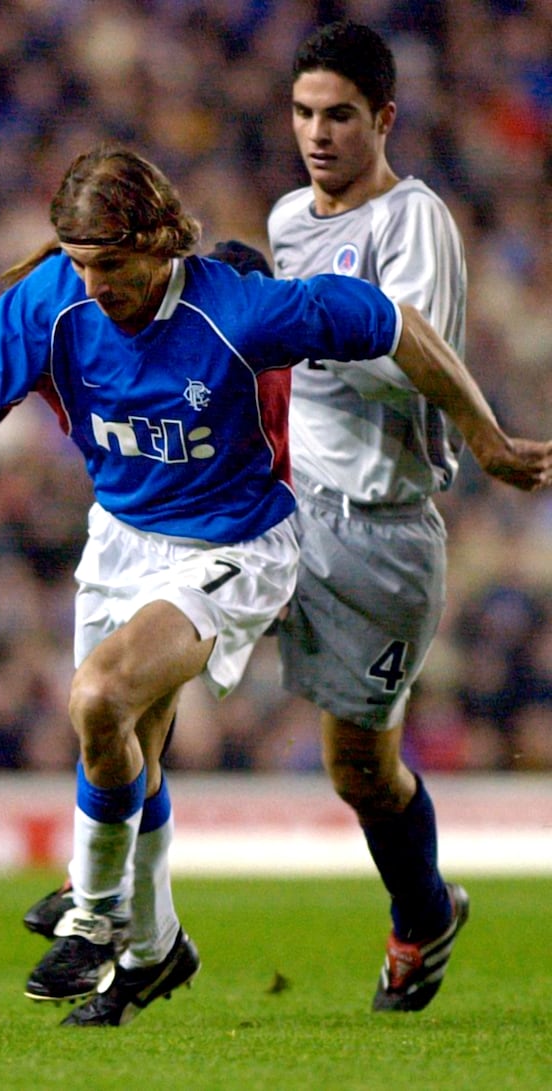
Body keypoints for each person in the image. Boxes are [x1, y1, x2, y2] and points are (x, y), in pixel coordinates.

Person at [0, 143, 551, 1028]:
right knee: (124, 741)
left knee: (101, 698)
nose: (95, 284)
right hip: (119, 541)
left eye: (113, 264)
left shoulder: (239, 312)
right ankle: (155, 946)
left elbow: (394, 324)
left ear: (160, 243)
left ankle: (96, 915)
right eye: (83, 264)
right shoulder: (58, 298)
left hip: (234, 543)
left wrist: (482, 436)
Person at [266, 19, 488, 1012]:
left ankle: (422, 912)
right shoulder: (283, 220)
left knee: (358, 770)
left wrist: (305, 328)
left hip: (386, 530)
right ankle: (108, 901)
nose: (318, 134)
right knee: (157, 637)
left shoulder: (413, 221)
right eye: (305, 113)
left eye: (340, 116)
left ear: (382, 118)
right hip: (285, 511)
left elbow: (413, 368)